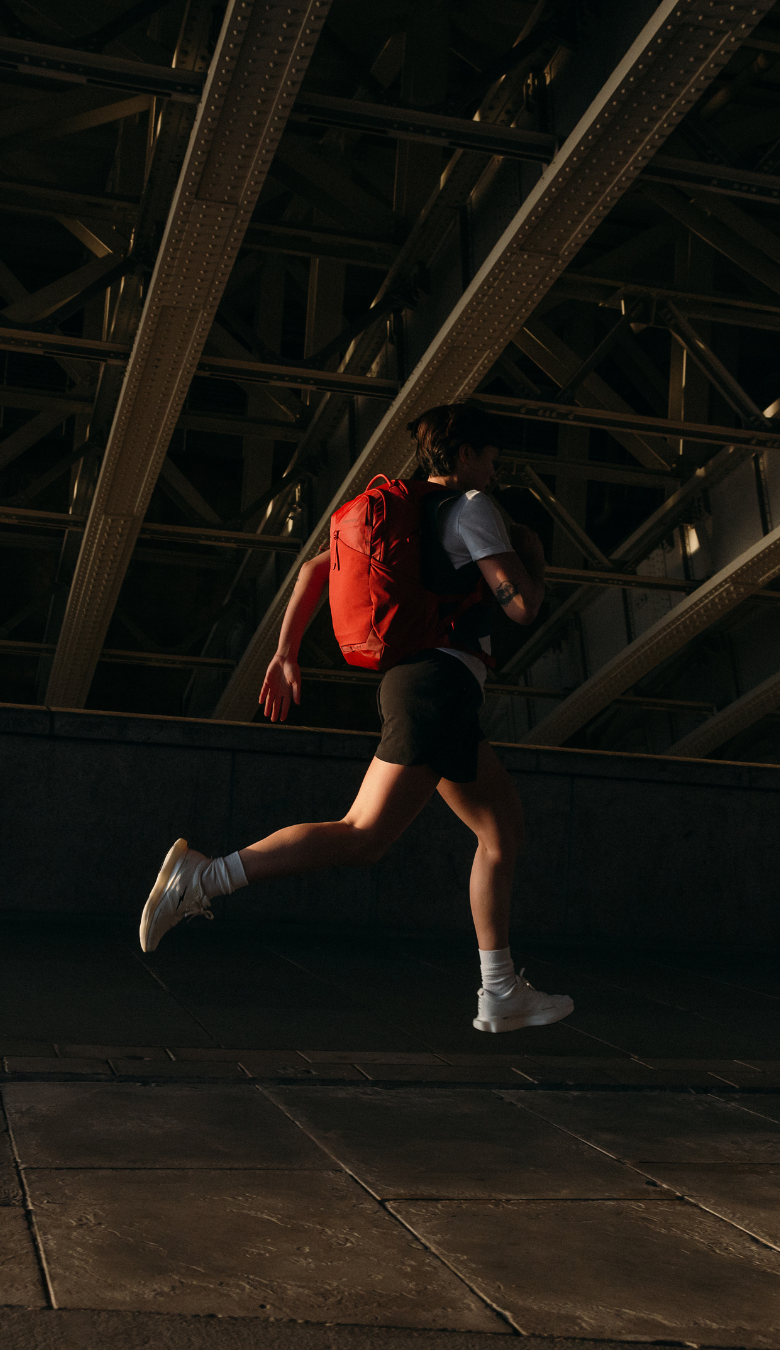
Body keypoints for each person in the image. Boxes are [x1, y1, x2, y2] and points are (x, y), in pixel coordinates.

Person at [139, 402, 574, 1034]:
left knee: (501, 831)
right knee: (362, 835)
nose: (495, 471)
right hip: (438, 688)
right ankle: (204, 878)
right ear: (462, 457)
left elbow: (318, 568)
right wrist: (531, 555)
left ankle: (499, 991)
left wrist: (286, 653)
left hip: (426, 688)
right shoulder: (475, 510)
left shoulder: (415, 511)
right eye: (489, 458)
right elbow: (521, 609)